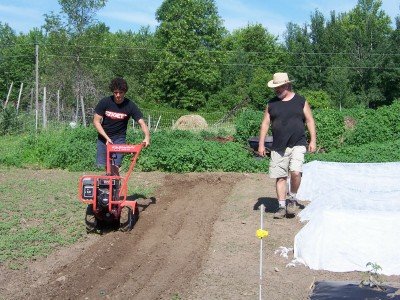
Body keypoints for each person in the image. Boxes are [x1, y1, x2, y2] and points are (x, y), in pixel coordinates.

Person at [258, 72, 316, 219]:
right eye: (275, 88)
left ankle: (292, 198)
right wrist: (261, 144)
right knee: (281, 177)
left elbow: (309, 120)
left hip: (298, 142)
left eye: (280, 87)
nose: (277, 90)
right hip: (278, 146)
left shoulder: (300, 101)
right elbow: (265, 123)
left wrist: (313, 140)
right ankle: (282, 206)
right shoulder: (271, 104)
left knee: (296, 172)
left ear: (287, 85)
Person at [93, 77, 150, 175]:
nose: (118, 95)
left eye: (120, 92)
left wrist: (147, 137)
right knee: (106, 165)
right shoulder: (105, 102)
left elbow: (141, 122)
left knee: (115, 165)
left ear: (124, 92)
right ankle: (110, 184)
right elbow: (96, 121)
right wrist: (106, 138)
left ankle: (115, 186)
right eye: (115, 92)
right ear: (113, 92)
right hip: (103, 137)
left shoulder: (130, 105)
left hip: (119, 138)